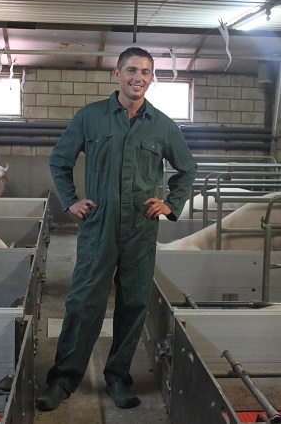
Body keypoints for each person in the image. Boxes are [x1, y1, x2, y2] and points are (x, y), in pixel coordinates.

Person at [37, 47, 197, 412]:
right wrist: (70, 200)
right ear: (117, 74)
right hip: (99, 225)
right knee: (83, 301)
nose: (137, 77)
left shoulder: (162, 125)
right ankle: (63, 379)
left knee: (134, 302)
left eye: (145, 72)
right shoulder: (90, 117)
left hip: (140, 228)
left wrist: (170, 204)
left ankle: (118, 377)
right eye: (131, 70)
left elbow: (187, 169)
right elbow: (59, 160)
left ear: (152, 78)